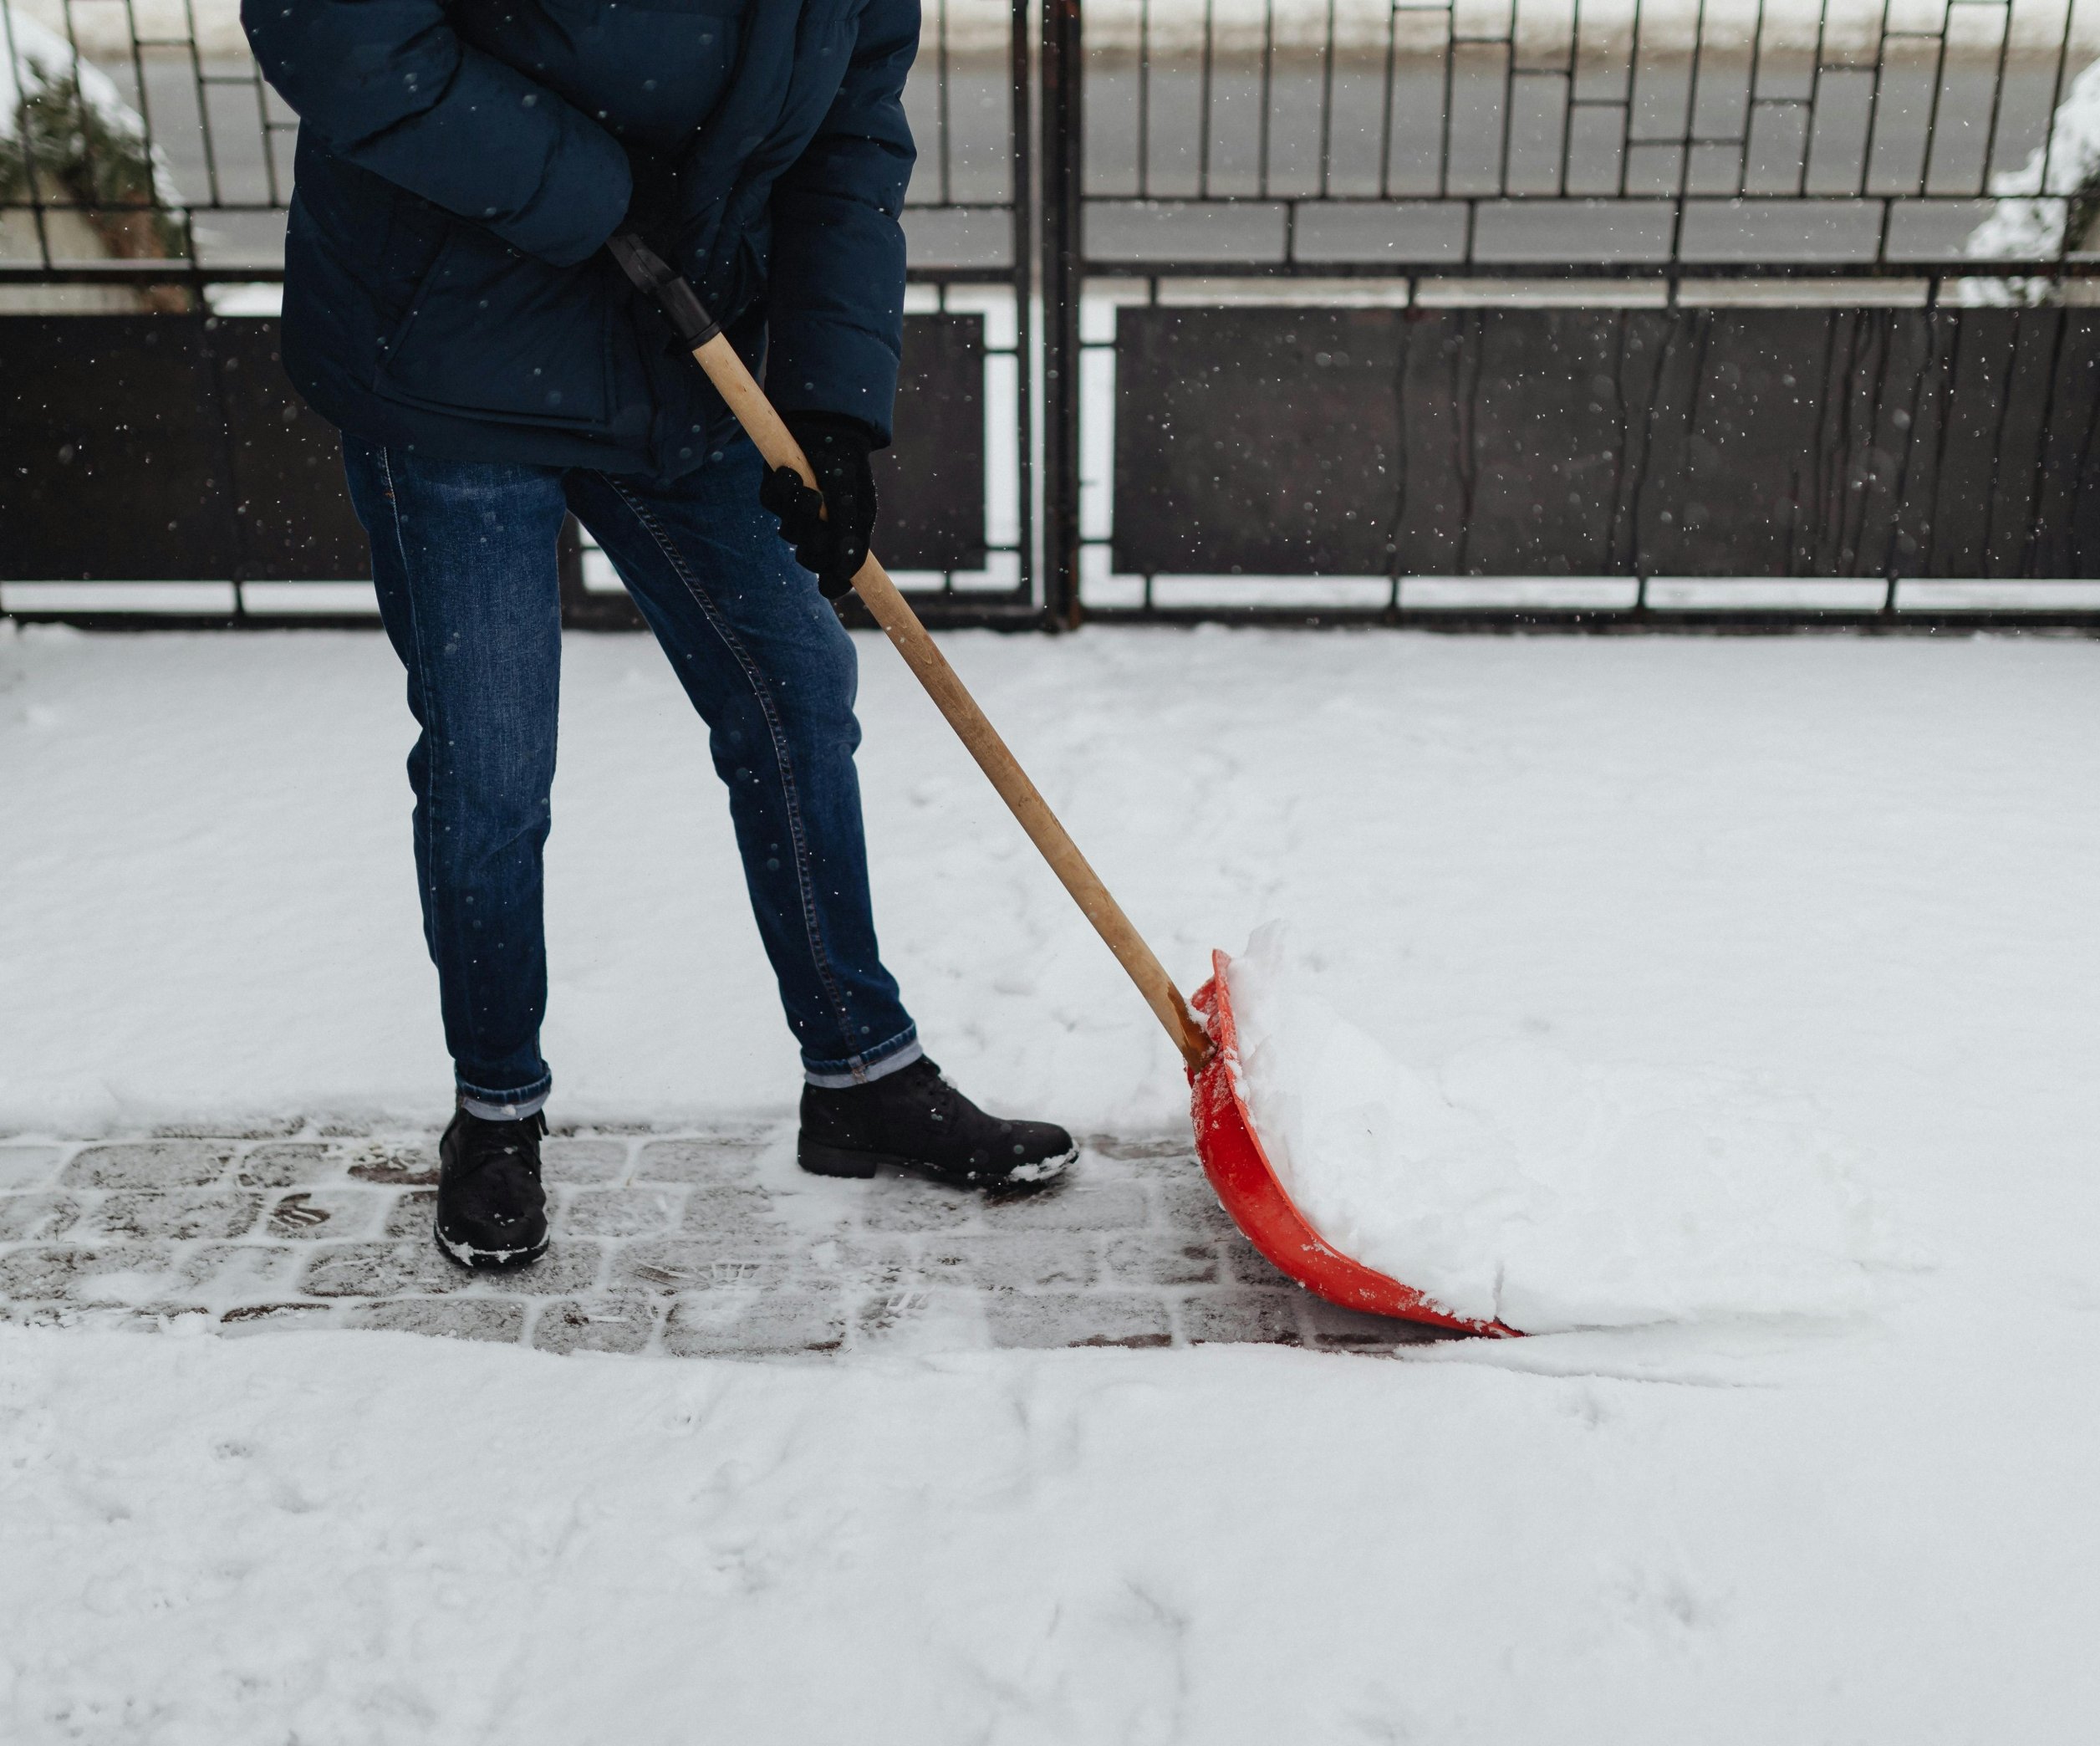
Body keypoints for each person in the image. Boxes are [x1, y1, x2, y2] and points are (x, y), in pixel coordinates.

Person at [243, 0, 1074, 1269]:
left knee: (795, 693)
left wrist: (828, 401)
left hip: (678, 352)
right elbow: (345, 36)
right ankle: (497, 1113)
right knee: (493, 767)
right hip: (454, 350)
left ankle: (859, 1071)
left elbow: (850, 136)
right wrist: (588, 192)